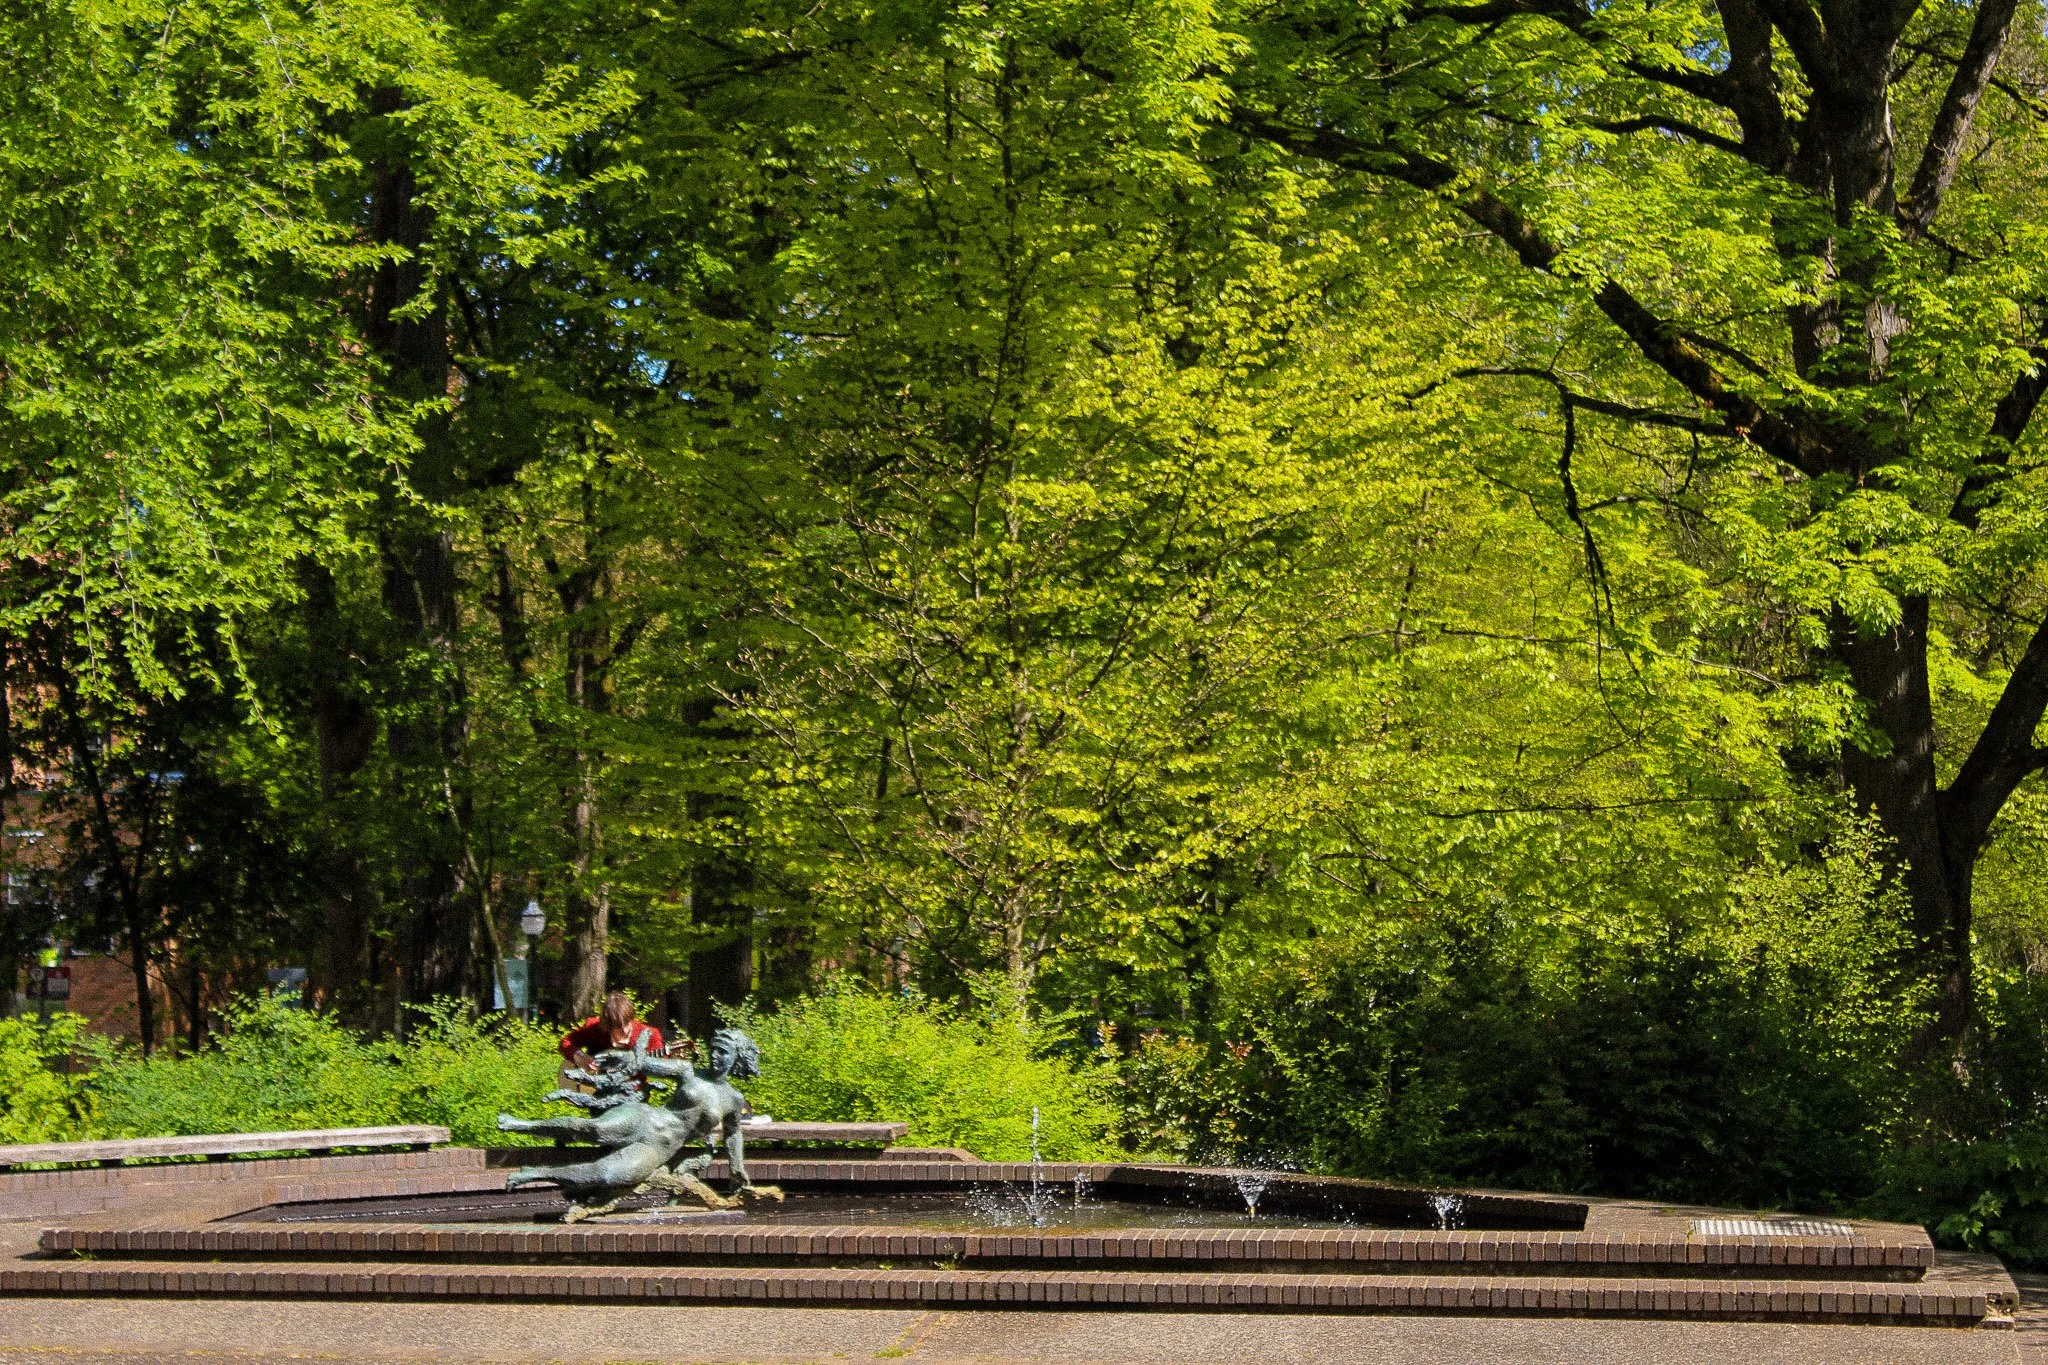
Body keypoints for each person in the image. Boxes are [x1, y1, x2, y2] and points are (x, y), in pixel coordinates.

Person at [559, 993, 665, 1073]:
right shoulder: (594, 1027)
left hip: (633, 1094)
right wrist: (580, 1057)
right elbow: (565, 1043)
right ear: (607, 1025)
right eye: (618, 1026)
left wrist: (673, 1060)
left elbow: (660, 1065)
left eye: (628, 1023)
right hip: (593, 1092)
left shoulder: (650, 1034)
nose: (624, 1030)